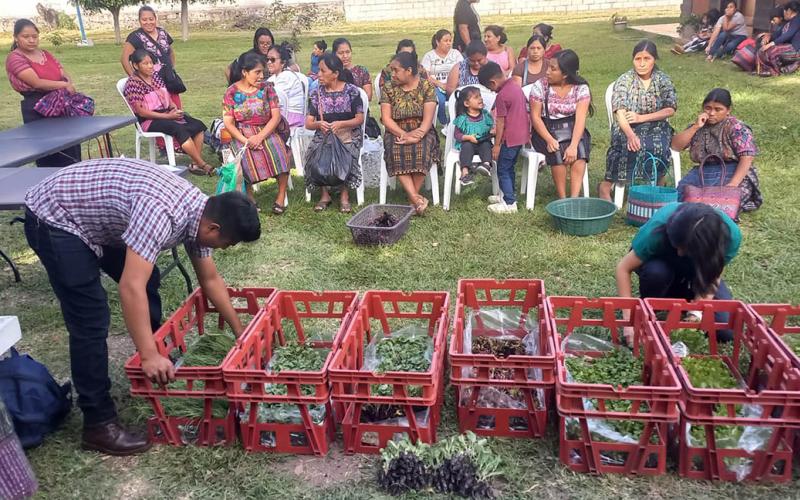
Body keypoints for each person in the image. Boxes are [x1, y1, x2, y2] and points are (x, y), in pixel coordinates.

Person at [23, 157, 261, 455]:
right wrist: (148, 356)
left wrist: (241, 332)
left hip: (95, 213)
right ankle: (98, 423)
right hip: (57, 217)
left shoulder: (202, 213)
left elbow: (210, 279)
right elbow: (129, 286)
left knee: (150, 279)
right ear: (214, 229)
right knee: (91, 318)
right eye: (225, 244)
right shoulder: (162, 213)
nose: (223, 249)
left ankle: (154, 358)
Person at [615, 202, 740, 342]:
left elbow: (711, 276)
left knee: (724, 332)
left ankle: (682, 296)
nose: (680, 253)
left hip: (698, 272)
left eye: (685, 248)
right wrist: (629, 320)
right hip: (661, 264)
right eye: (677, 246)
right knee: (657, 273)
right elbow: (623, 269)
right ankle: (653, 303)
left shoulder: (730, 236)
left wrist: (695, 313)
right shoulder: (658, 226)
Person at [600, 41, 676, 201]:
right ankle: (606, 186)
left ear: (654, 59)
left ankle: (657, 186)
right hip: (627, 126)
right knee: (627, 146)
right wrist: (630, 134)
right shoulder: (625, 80)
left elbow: (670, 109)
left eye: (646, 59)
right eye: (637, 59)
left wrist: (642, 117)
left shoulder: (662, 80)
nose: (641, 63)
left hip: (656, 125)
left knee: (659, 146)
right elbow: (619, 112)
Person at [672, 88, 762, 216]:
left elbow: (747, 157)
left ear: (728, 110)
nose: (712, 113)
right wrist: (695, 127)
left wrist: (732, 185)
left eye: (718, 109)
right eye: (708, 108)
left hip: (732, 169)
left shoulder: (736, 127)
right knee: (678, 199)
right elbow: (675, 146)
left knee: (722, 204)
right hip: (703, 171)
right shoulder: (698, 125)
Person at [222, 51, 293, 214]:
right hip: (241, 132)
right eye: (257, 72)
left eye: (263, 72)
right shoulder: (231, 92)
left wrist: (260, 136)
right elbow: (228, 122)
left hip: (266, 129)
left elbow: (275, 117)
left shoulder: (268, 89)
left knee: (280, 151)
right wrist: (246, 140)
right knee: (242, 155)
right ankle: (249, 196)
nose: (261, 76)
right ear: (244, 72)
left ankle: (281, 195)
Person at [5, 19, 82, 167]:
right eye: (26, 37)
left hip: (60, 105)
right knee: (51, 154)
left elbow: (63, 73)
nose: (31, 40)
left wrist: (66, 82)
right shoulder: (15, 58)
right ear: (16, 37)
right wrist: (64, 85)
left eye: (35, 36)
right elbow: (36, 82)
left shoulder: (45, 54)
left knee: (71, 149)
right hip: (37, 107)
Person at [123, 50, 209, 174]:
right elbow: (141, 112)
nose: (150, 66)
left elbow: (166, 96)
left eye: (151, 63)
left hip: (167, 114)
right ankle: (202, 164)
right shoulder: (132, 84)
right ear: (136, 66)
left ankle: (195, 164)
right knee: (179, 129)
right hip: (149, 121)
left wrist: (173, 108)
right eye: (145, 63)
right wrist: (167, 116)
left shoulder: (155, 77)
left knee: (198, 125)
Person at [304, 53, 364, 213]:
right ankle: (325, 195)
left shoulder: (352, 91)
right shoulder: (316, 93)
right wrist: (319, 124)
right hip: (324, 134)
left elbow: (359, 119)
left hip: (348, 133)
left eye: (323, 71)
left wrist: (342, 124)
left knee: (347, 151)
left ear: (335, 74)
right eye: (319, 70)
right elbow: (308, 123)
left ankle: (344, 195)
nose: (319, 75)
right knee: (314, 152)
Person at [380, 52, 439, 215]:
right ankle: (416, 199)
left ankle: (412, 200)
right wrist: (404, 135)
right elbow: (386, 118)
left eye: (396, 70)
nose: (392, 74)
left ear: (409, 70)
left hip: (422, 129)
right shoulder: (388, 88)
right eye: (391, 70)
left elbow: (427, 121)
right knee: (395, 148)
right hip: (396, 129)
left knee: (423, 149)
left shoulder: (426, 87)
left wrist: (416, 136)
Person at [529, 50, 592, 200]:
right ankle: (563, 198)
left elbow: (580, 119)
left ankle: (574, 198)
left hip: (572, 127)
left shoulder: (581, 88)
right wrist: (549, 139)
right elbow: (535, 117)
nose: (548, 72)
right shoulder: (540, 86)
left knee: (580, 153)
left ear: (565, 74)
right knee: (556, 152)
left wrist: (574, 145)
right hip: (545, 128)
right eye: (548, 67)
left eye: (553, 69)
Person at [478, 61, 530, 213]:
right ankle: (507, 194)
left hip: (509, 138)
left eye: (490, 88)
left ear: (493, 82)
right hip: (521, 137)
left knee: (503, 169)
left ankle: (509, 203)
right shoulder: (515, 87)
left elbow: (500, 122)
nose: (491, 91)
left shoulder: (502, 96)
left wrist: (497, 145)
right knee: (510, 168)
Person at [121, 6, 182, 107]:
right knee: (161, 111)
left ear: (155, 19)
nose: (148, 22)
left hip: (170, 80)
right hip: (152, 83)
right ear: (139, 21)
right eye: (144, 20)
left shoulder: (162, 32)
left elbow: (170, 51)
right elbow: (124, 60)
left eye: (151, 19)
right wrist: (137, 79)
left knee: (177, 110)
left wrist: (171, 68)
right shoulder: (135, 37)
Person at [452, 86, 494, 186]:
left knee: (487, 146)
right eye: (476, 97)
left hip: (483, 141)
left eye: (480, 96)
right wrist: (468, 137)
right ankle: (465, 172)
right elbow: (457, 135)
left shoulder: (485, 115)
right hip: (469, 142)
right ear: (466, 103)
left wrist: (493, 131)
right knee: (466, 147)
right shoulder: (462, 119)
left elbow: (490, 128)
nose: (480, 98)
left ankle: (486, 165)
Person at [421, 29, 463, 124]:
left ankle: (454, 122)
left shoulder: (455, 54)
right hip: (436, 86)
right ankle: (444, 123)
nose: (448, 43)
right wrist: (440, 84)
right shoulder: (429, 56)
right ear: (437, 42)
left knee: (461, 97)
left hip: (454, 85)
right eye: (445, 41)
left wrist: (453, 84)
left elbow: (462, 69)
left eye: (450, 41)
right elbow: (425, 75)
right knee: (439, 100)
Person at [266, 42, 306, 127]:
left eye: (272, 60)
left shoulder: (286, 77)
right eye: (267, 59)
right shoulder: (273, 78)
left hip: (291, 122)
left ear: (283, 63)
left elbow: (275, 102)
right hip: (281, 117)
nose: (269, 62)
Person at [756, 1, 800, 76]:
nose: (783, 14)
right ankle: (762, 69)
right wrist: (769, 36)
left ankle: (774, 71)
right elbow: (778, 34)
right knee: (763, 49)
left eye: (784, 11)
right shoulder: (789, 22)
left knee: (771, 51)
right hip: (789, 47)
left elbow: (788, 35)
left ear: (789, 11)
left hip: (795, 49)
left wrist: (770, 44)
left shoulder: (797, 20)